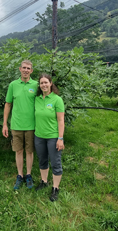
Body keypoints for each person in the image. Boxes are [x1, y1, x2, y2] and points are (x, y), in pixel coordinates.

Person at [3, 60, 38, 190]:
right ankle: (19, 175)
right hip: (16, 125)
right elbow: (8, 104)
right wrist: (5, 124)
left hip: (31, 125)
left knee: (29, 151)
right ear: (19, 69)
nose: (26, 70)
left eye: (28, 68)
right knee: (18, 151)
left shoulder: (36, 85)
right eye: (24, 68)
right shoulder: (13, 85)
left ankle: (28, 175)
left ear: (31, 71)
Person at [34, 73, 65, 202]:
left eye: (46, 82)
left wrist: (60, 138)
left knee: (56, 163)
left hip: (53, 137)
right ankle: (44, 181)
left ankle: (55, 188)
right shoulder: (37, 99)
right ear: (39, 85)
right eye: (41, 83)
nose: (44, 85)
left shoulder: (57, 100)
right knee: (42, 160)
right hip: (39, 136)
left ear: (51, 83)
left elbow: (61, 120)